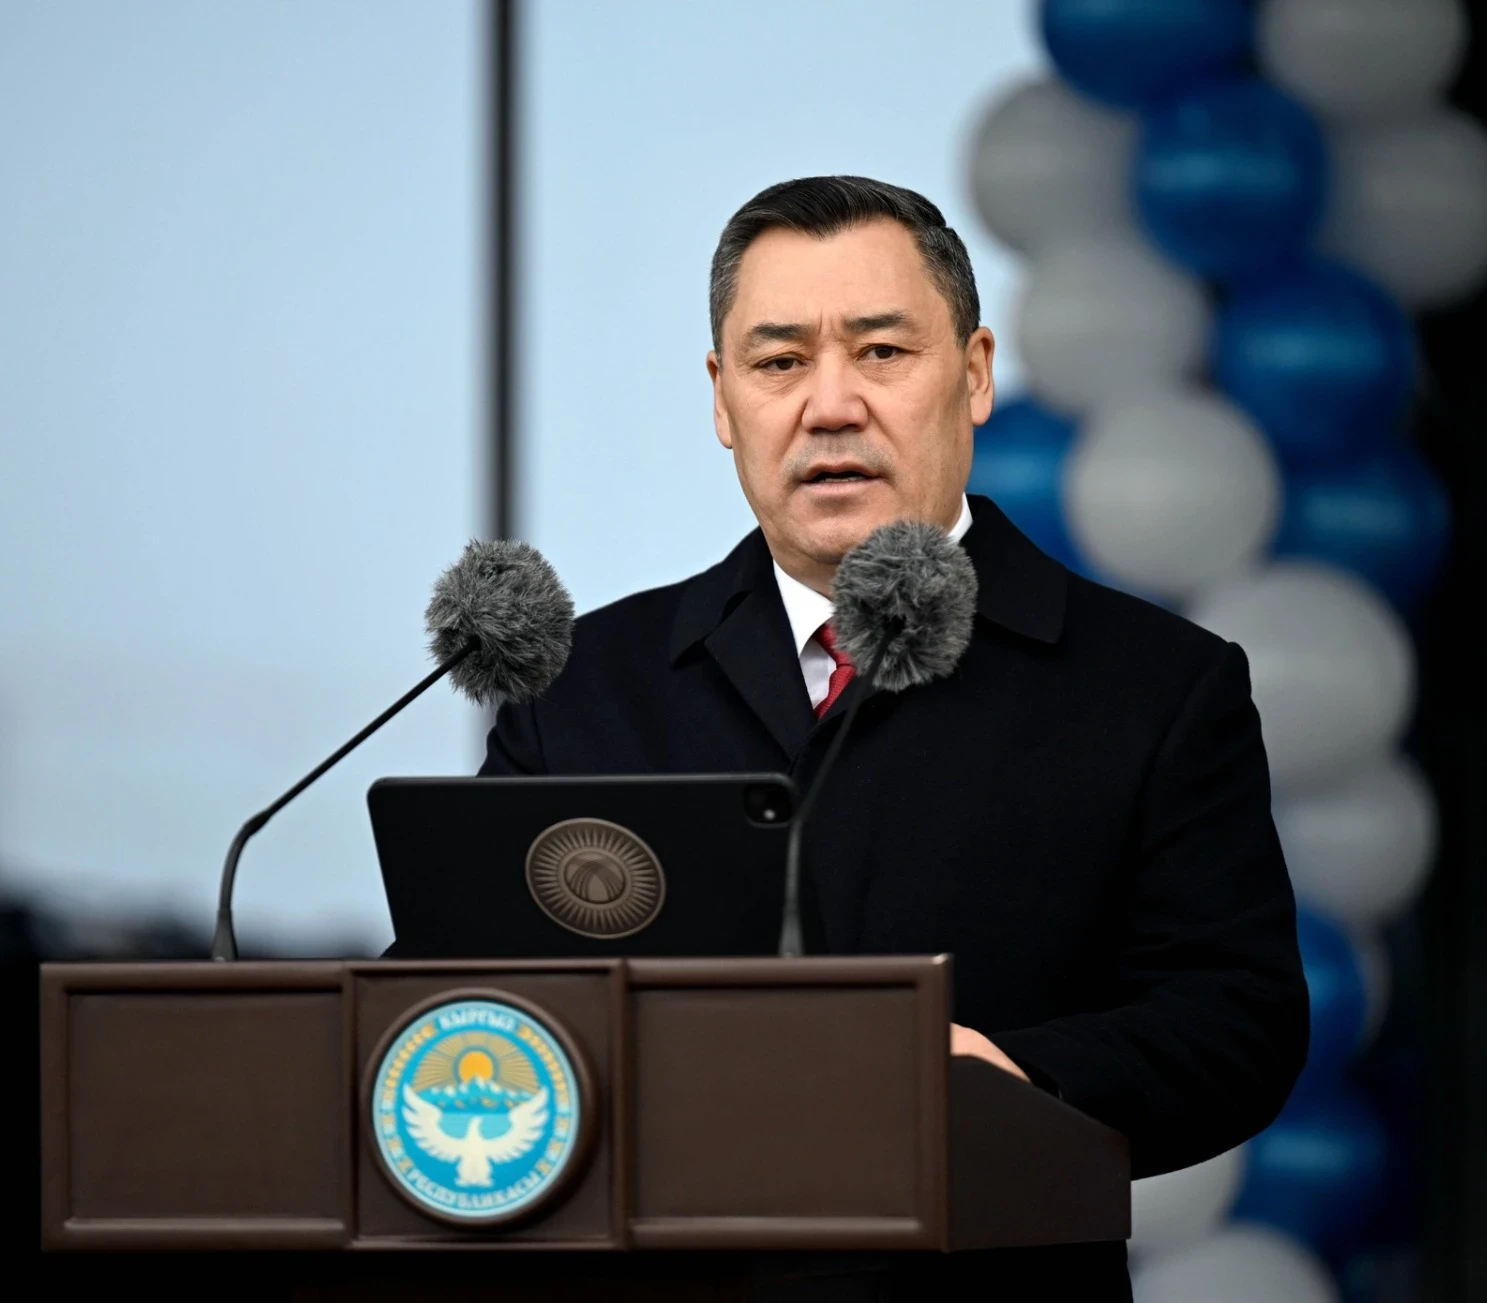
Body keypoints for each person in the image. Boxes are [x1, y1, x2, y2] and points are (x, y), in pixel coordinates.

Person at [481, 176, 1308, 1297]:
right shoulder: (584, 684)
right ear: (723, 400)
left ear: (975, 374)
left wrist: (1008, 1075)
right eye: (779, 362)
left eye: (880, 352)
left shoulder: (1154, 684)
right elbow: (468, 997)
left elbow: (1236, 1020)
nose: (830, 406)